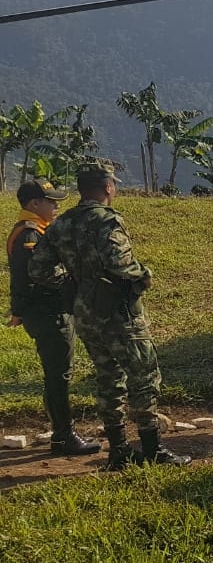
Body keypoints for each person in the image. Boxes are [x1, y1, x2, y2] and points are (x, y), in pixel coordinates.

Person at [29, 161, 189, 470]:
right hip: (118, 312)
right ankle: (153, 449)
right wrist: (144, 274)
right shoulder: (107, 220)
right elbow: (120, 264)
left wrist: (74, 283)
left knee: (108, 378)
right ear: (107, 187)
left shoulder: (63, 223)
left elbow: (37, 269)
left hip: (85, 314)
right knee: (143, 376)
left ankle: (118, 450)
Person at [6, 177, 100, 455]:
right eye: (51, 202)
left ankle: (63, 433)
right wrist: (76, 283)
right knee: (58, 375)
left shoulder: (35, 230)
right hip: (48, 312)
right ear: (35, 204)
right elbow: (36, 275)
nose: (56, 207)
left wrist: (19, 309)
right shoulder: (30, 234)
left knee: (57, 373)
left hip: (46, 311)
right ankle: (63, 436)